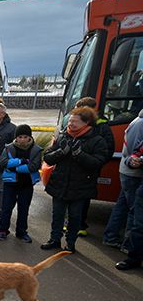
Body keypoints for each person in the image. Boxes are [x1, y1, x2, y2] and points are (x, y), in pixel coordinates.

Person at [41, 107, 109, 253]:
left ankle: (70, 243)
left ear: (86, 123)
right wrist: (61, 152)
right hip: (60, 184)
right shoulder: (62, 136)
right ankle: (54, 240)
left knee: (75, 216)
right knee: (57, 215)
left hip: (81, 187)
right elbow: (47, 158)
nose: (70, 124)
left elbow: (98, 162)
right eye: (70, 120)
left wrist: (80, 154)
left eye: (75, 121)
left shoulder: (97, 140)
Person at [74, 97, 114, 236]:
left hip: (88, 169)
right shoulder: (78, 125)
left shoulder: (102, 127)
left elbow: (107, 150)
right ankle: (72, 223)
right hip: (74, 168)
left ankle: (80, 225)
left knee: (83, 197)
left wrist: (94, 162)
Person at [104, 108, 143, 251]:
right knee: (134, 210)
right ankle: (128, 245)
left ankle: (111, 236)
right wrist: (136, 161)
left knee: (123, 206)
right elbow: (133, 153)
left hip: (132, 173)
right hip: (132, 174)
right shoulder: (140, 124)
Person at [0, 124, 42, 242]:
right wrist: (21, 161)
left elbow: (33, 167)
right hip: (10, 184)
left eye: (25, 137)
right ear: (16, 137)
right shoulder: (8, 148)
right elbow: (3, 163)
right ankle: (2, 231)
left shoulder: (36, 149)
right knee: (6, 208)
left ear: (29, 137)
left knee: (23, 209)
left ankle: (21, 232)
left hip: (26, 184)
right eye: (19, 137)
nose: (22, 139)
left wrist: (14, 167)